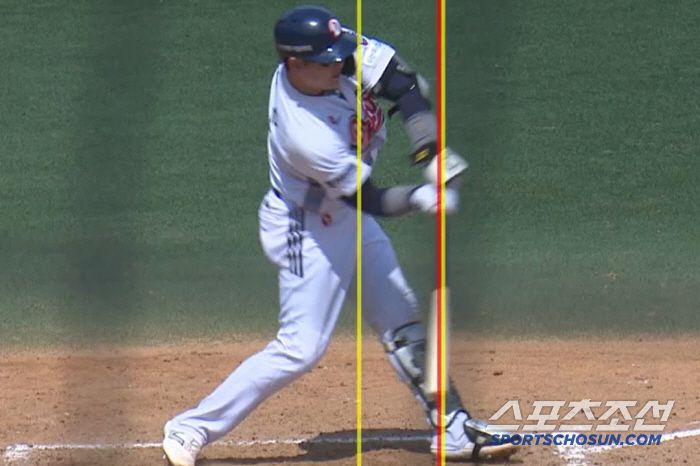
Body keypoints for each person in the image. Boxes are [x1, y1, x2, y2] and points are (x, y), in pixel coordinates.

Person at [162, 5, 517, 465]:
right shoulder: (304, 133)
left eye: (339, 53)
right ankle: (190, 428)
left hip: (347, 216)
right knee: (301, 349)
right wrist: (420, 197)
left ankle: (451, 429)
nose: (340, 64)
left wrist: (429, 151)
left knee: (403, 324)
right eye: (327, 59)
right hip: (307, 230)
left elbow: (405, 85)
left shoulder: (333, 54)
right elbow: (367, 198)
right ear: (295, 63)